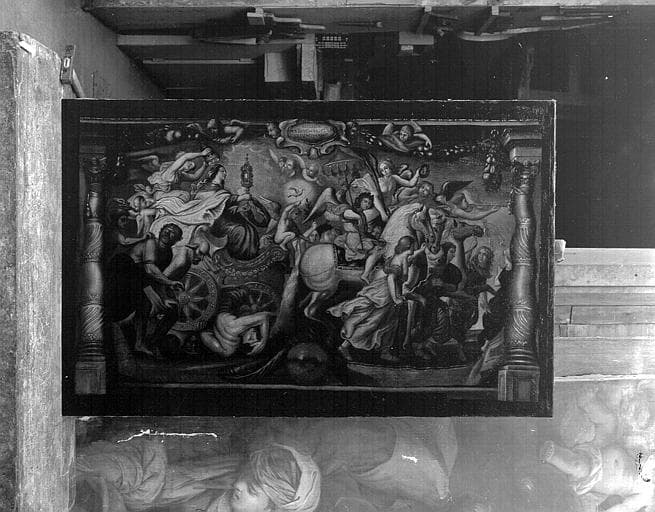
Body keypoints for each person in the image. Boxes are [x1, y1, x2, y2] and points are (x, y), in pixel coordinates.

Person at [149, 158, 271, 260]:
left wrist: (237, 207)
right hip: (213, 222)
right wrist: (238, 198)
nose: (225, 174)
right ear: (214, 173)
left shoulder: (222, 190)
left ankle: (247, 257)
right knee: (240, 230)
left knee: (248, 228)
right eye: (222, 171)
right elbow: (209, 204)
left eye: (225, 172)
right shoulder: (205, 189)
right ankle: (237, 257)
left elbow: (222, 205)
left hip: (223, 218)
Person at [327, 236, 416, 361]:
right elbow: (391, 278)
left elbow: (402, 275)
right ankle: (345, 346)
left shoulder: (402, 257)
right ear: (408, 246)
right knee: (372, 322)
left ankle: (384, 351)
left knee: (388, 323)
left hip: (390, 292)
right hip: (385, 294)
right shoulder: (399, 259)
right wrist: (395, 298)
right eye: (414, 246)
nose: (415, 248)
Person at [105, 223, 184, 354]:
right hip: (125, 280)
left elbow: (156, 278)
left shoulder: (168, 253)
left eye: (173, 233)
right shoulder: (151, 242)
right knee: (145, 303)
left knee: (173, 311)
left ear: (177, 240)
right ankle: (139, 343)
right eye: (166, 230)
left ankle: (152, 342)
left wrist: (164, 298)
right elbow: (149, 269)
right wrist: (169, 283)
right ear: (161, 230)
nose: (167, 233)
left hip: (142, 283)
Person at [200, 288, 276, 357]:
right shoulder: (228, 349)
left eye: (251, 338)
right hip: (218, 321)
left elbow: (264, 316)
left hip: (225, 306)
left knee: (239, 293)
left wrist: (263, 341)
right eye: (258, 338)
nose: (255, 335)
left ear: (243, 342)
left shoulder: (236, 327)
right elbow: (204, 334)